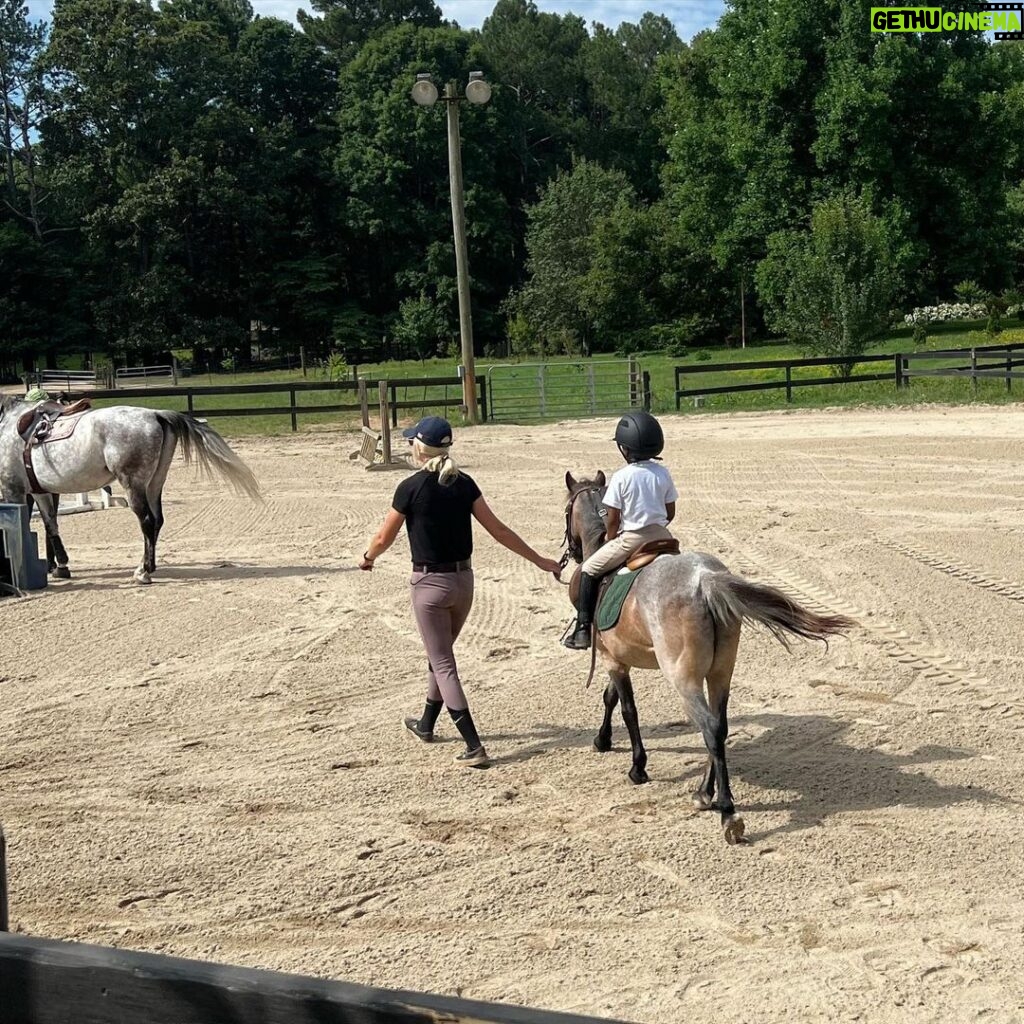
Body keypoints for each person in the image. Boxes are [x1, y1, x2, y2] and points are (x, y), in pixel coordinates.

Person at [359, 415, 562, 768]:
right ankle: (425, 724)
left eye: (411, 442)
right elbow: (499, 530)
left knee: (442, 662)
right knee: (440, 656)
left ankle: (474, 746)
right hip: (463, 583)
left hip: (429, 586)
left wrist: (367, 558)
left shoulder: (410, 487)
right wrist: (539, 560)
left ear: (420, 449)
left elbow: (382, 538)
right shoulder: (465, 483)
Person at [563, 410, 678, 650]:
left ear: (625, 449)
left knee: (589, 569)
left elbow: (612, 518)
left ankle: (583, 628)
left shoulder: (622, 477)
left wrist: (610, 535)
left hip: (632, 539)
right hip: (664, 536)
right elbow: (670, 513)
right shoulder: (663, 473)